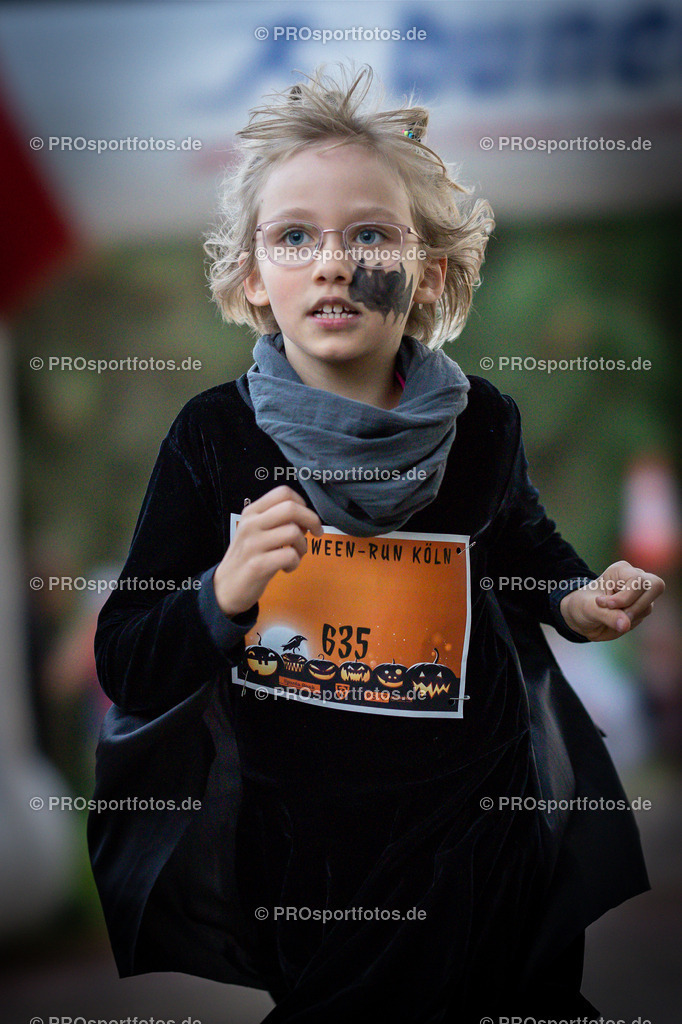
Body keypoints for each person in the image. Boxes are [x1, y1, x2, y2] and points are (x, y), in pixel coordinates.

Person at [88, 64, 664, 1022]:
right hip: (310, 864)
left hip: (482, 828)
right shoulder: (214, 438)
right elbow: (127, 657)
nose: (334, 262)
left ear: (428, 270)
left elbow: (516, 545)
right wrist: (221, 593)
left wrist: (576, 600)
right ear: (251, 277)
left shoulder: (483, 421)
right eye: (295, 236)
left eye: (371, 234)